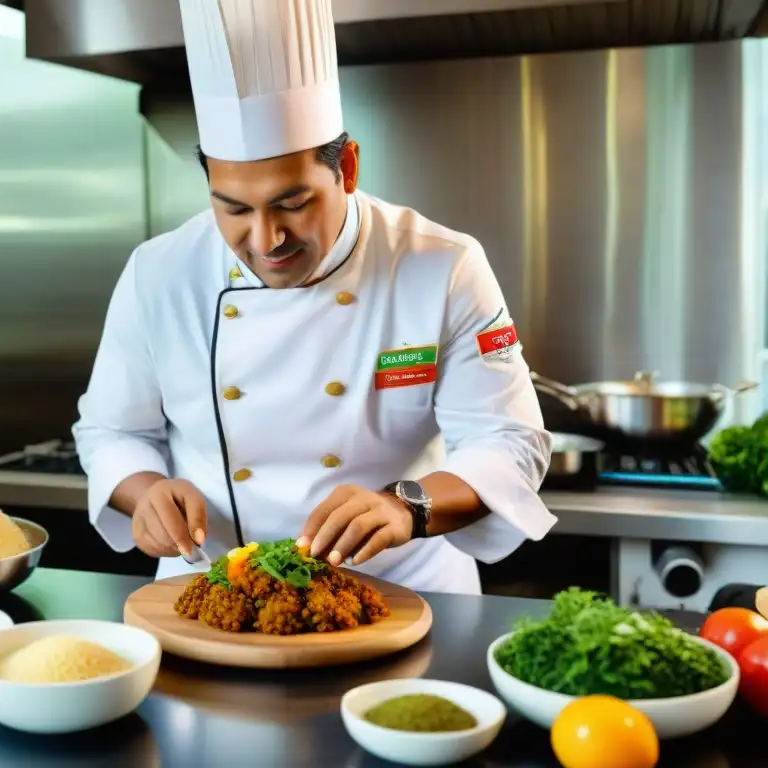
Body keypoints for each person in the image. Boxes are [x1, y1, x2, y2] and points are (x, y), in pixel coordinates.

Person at [72, 0, 555, 594]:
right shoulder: (159, 271)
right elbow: (110, 432)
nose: (265, 239)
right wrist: (145, 491)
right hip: (208, 592)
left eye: (293, 204)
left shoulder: (440, 264)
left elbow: (509, 439)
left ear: (346, 167)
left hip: (400, 589)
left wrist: (407, 507)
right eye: (233, 209)